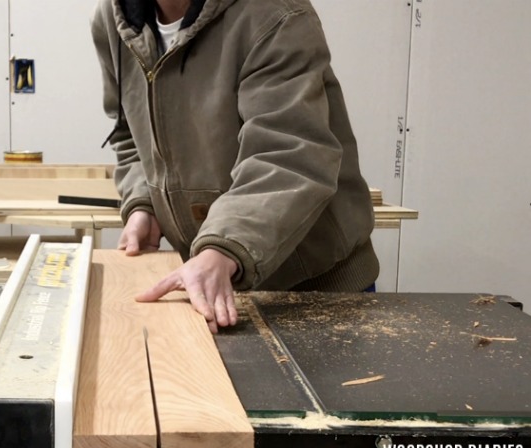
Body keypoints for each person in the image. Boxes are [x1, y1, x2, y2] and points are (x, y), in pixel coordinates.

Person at [91, 0, 380, 333]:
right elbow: (130, 131)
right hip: (214, 278)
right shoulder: (116, 18)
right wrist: (145, 202)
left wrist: (223, 245)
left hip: (315, 289)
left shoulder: (273, 12)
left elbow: (289, 155)